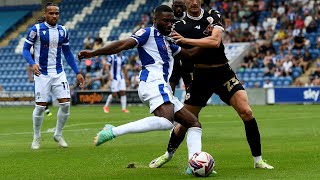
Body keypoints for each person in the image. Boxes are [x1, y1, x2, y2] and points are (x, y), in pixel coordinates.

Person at [149, 0, 274, 171]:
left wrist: (187, 40)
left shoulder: (213, 15)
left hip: (223, 72)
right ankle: (168, 154)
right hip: (200, 76)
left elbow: (215, 42)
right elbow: (177, 53)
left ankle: (258, 160)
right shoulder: (177, 26)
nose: (193, 2)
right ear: (185, 2)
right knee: (186, 122)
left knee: (246, 111)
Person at [78, 5, 203, 166]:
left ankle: (195, 163)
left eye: (171, 21)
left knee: (194, 124)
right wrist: (93, 53)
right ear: (155, 19)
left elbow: (191, 54)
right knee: (166, 122)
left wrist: (207, 38)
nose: (169, 24)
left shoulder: (169, 40)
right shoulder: (147, 33)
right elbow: (122, 44)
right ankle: (112, 131)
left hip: (161, 86)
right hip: (152, 82)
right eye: (165, 21)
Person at [22, 2, 84, 150]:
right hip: (41, 74)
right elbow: (25, 50)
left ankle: (58, 134)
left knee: (66, 104)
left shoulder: (63, 31)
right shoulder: (36, 29)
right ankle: (36, 137)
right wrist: (32, 63)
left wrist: (77, 72)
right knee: (40, 107)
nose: (54, 15)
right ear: (45, 14)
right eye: (51, 13)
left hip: (58, 73)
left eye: (56, 13)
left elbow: (68, 53)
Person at [169, 0, 194, 94]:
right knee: (171, 81)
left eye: (180, 6)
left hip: (188, 55)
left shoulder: (190, 19)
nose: (178, 9)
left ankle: (190, 105)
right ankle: (169, 105)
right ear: (172, 6)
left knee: (189, 82)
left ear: (185, 6)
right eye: (176, 6)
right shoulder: (168, 20)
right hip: (172, 55)